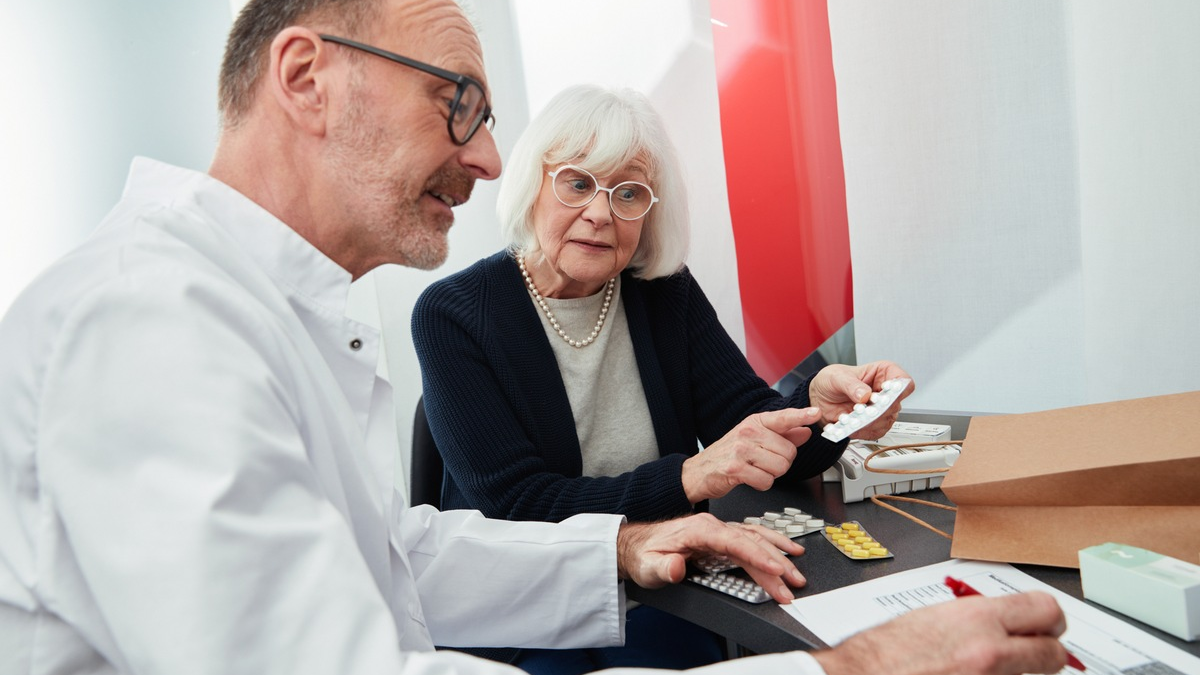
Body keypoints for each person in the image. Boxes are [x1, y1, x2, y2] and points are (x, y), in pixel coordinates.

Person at [0, 1, 1073, 675]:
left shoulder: (271, 310)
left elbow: (397, 554)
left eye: (631, 189)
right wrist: (852, 669)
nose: (483, 157)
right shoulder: (152, 322)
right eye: (457, 103)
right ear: (306, 80)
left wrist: (624, 542)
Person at [411, 83, 917, 672]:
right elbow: (517, 507)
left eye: (629, 194)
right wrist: (691, 475)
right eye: (578, 183)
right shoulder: (453, 314)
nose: (600, 213)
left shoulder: (663, 292)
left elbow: (755, 435)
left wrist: (824, 414)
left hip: (666, 590)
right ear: (533, 185)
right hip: (529, 611)